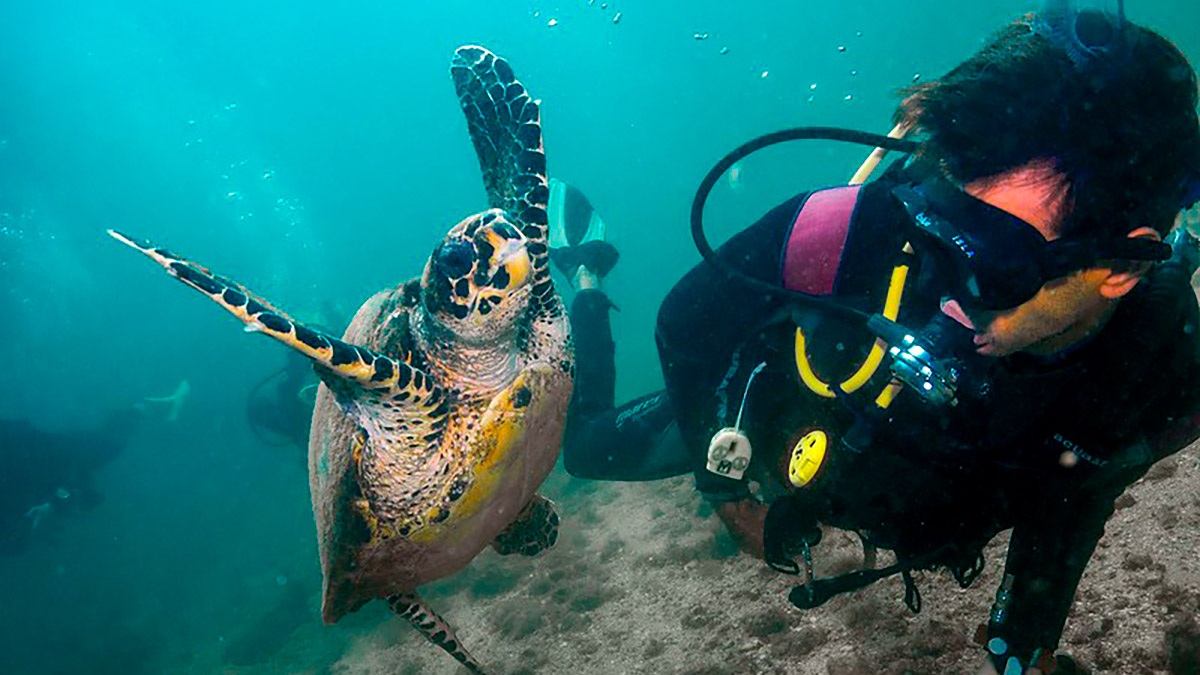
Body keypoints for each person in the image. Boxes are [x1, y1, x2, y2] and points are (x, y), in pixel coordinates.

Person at [556, 2, 1200, 673]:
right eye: (935, 214)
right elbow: (687, 324)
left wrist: (1022, 648)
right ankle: (587, 277)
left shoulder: (1160, 370)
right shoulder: (842, 228)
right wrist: (728, 494)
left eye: (994, 261)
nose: (943, 292)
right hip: (791, 399)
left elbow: (1073, 494)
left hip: (943, 488)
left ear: (1120, 269)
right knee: (586, 449)